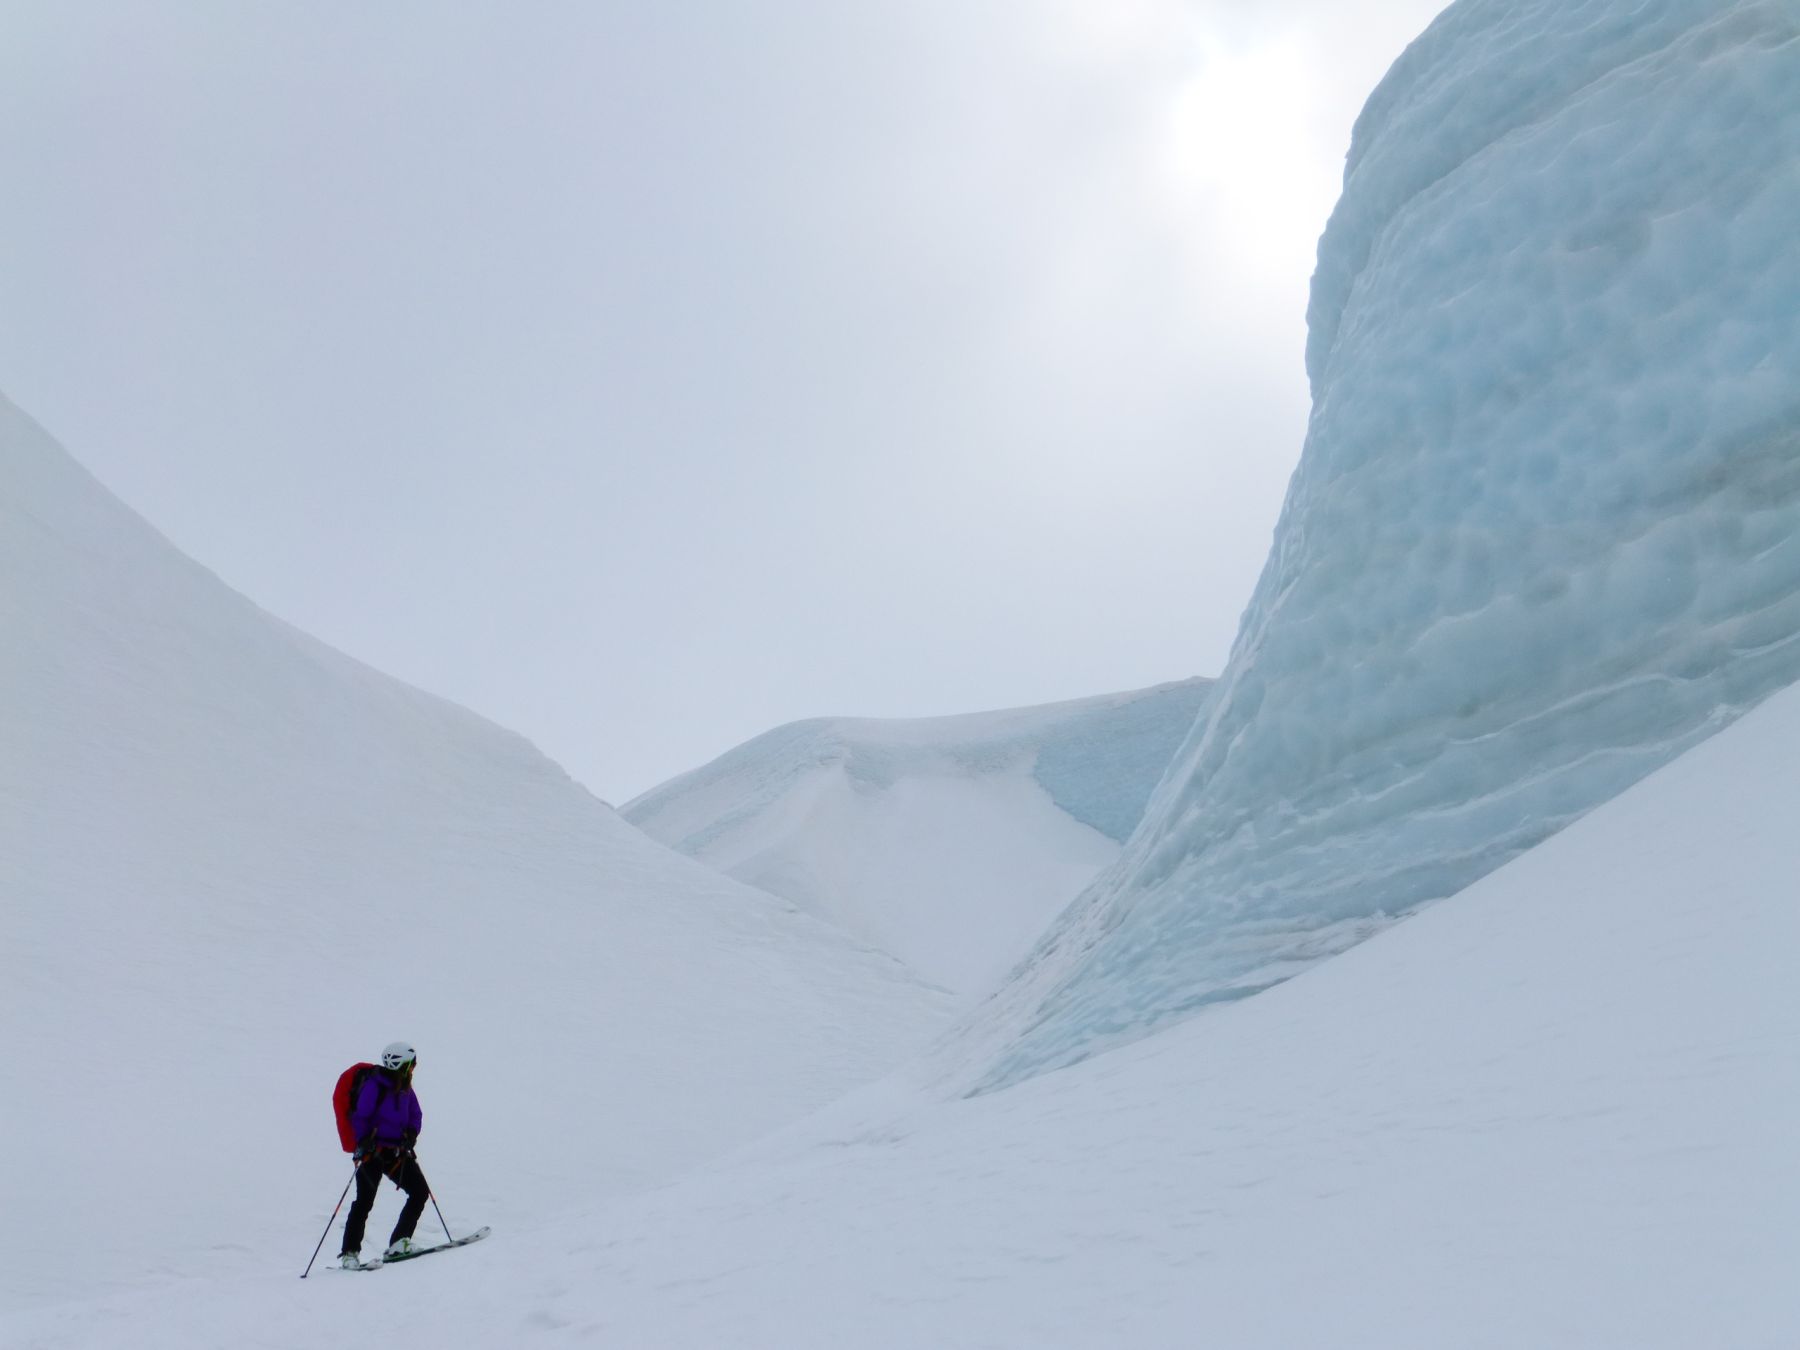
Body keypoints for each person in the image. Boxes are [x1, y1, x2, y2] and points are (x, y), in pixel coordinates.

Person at [338, 1041, 429, 1268]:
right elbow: (360, 1116)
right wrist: (364, 1141)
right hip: (373, 1152)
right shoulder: (374, 1086)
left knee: (419, 1192)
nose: (413, 1068)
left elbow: (415, 1114)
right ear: (400, 1064)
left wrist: (411, 1133)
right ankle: (349, 1254)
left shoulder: (406, 1088)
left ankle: (399, 1243)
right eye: (411, 1064)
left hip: (396, 1152)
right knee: (364, 1202)